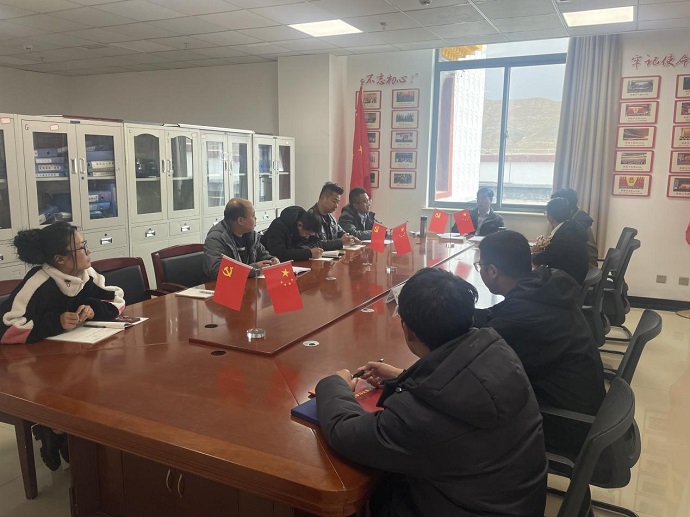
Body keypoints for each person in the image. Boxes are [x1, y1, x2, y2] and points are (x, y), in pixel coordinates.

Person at [315, 268, 547, 517]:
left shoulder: (419, 414)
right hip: (516, 501)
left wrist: (334, 384)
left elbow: (344, 433)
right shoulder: (498, 351)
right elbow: (459, 384)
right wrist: (403, 376)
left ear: (408, 330)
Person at [0, 221, 125, 471]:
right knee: (71, 388)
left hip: (71, 354)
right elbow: (7, 328)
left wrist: (94, 308)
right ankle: (54, 428)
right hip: (33, 363)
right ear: (59, 259)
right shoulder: (39, 281)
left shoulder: (87, 275)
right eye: (82, 247)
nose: (89, 251)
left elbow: (118, 300)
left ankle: (64, 434)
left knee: (91, 385)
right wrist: (54, 322)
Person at [473, 230, 605, 455]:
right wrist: (456, 307)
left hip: (565, 426)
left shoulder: (522, 314)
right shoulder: (542, 286)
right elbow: (496, 315)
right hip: (579, 409)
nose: (480, 270)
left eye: (480, 266)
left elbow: (476, 351)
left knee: (465, 409)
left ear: (493, 271)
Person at [202, 198, 278, 281]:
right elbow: (217, 272)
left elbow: (263, 255)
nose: (256, 218)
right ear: (240, 221)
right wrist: (254, 269)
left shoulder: (251, 235)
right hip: (220, 286)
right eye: (253, 216)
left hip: (246, 283)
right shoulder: (216, 238)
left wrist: (272, 260)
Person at [532, 197, 589, 284]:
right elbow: (555, 252)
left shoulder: (564, 234)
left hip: (566, 282)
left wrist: (531, 255)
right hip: (575, 276)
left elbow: (544, 258)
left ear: (550, 216)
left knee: (528, 280)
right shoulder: (572, 227)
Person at [552, 187, 599, 266]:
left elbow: (561, 248)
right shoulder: (577, 216)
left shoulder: (577, 223)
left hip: (584, 265)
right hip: (580, 262)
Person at [307, 182, 359, 250]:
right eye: (334, 201)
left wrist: (349, 237)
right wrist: (340, 242)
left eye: (338, 202)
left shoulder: (331, 217)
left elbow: (340, 232)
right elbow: (316, 244)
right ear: (323, 198)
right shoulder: (310, 217)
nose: (336, 205)